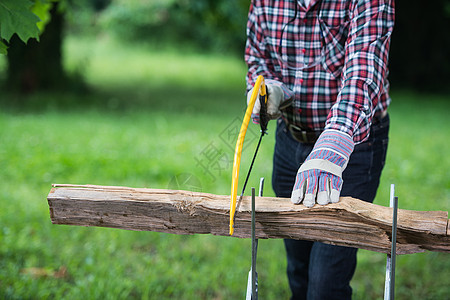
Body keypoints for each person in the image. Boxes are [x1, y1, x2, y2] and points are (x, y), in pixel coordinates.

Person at [245, 0, 394, 299]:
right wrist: (268, 88)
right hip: (291, 140)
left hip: (353, 145)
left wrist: (334, 141)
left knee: (326, 282)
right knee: (298, 267)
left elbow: (363, 70)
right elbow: (257, 57)